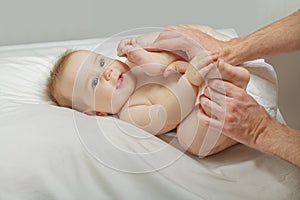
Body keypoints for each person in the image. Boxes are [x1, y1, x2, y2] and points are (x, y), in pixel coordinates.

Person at [138, 10, 300, 167]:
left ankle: (227, 78)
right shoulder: (128, 109)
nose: (111, 73)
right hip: (217, 76)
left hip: (225, 77)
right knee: (191, 139)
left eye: (113, 63)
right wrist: (230, 50)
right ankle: (229, 79)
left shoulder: (130, 63)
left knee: (193, 140)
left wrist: (261, 129)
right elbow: (163, 116)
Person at [46, 32, 250, 157]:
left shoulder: (134, 64)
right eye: (94, 82)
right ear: (97, 112)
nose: (107, 72)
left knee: (161, 40)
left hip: (203, 76)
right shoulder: (130, 112)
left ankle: (229, 76)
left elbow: (165, 61)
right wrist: (190, 80)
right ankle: (235, 83)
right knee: (190, 138)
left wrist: (140, 50)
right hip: (200, 104)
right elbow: (167, 114)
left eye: (101, 62)